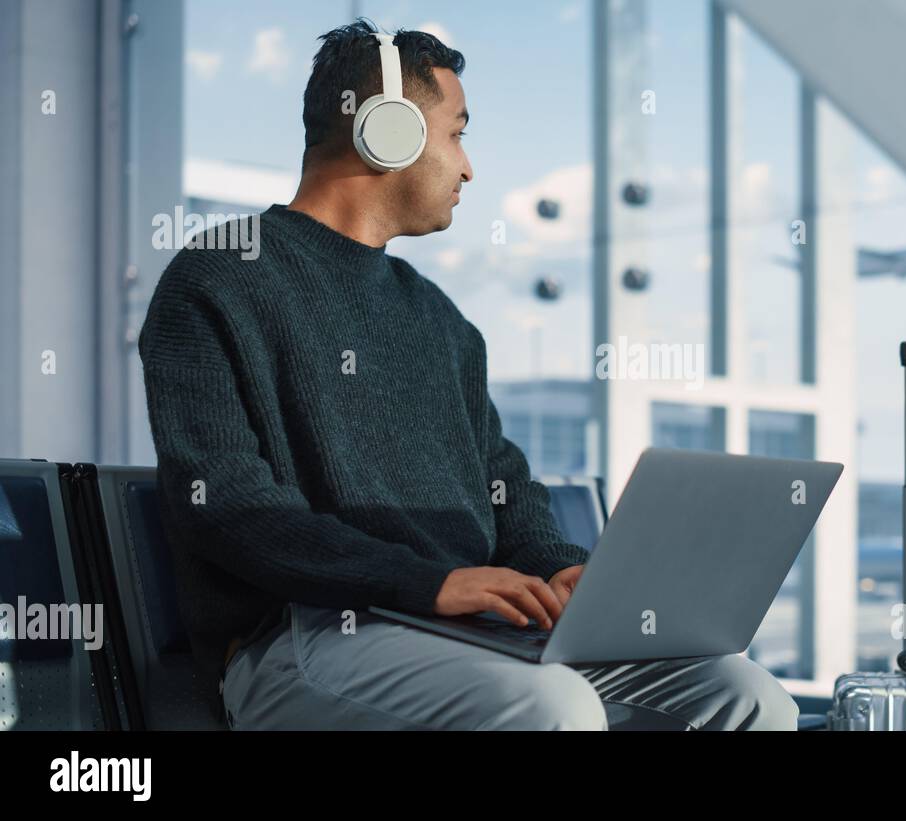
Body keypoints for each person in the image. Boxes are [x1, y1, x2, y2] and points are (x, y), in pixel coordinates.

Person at [138, 19, 798, 731]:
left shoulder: (439, 319)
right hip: (305, 636)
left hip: (466, 633)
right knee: (554, 706)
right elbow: (228, 506)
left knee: (744, 692)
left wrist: (562, 571)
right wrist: (430, 583)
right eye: (456, 134)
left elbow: (507, 490)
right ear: (385, 133)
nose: (469, 167)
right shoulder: (216, 281)